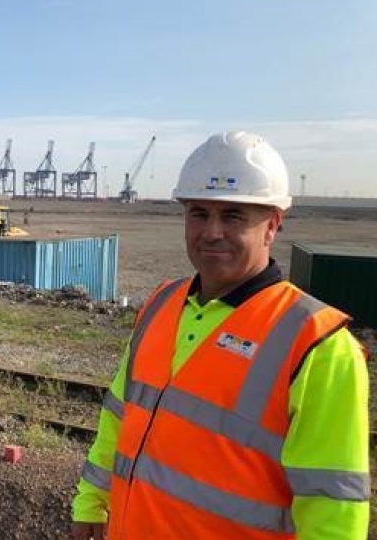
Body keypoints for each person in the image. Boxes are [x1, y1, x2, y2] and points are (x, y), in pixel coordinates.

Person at [71, 131, 369, 540]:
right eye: (199, 213)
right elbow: (118, 418)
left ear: (272, 226)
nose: (212, 232)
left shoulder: (318, 345)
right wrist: (91, 497)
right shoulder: (162, 303)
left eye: (233, 216)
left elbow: (333, 509)